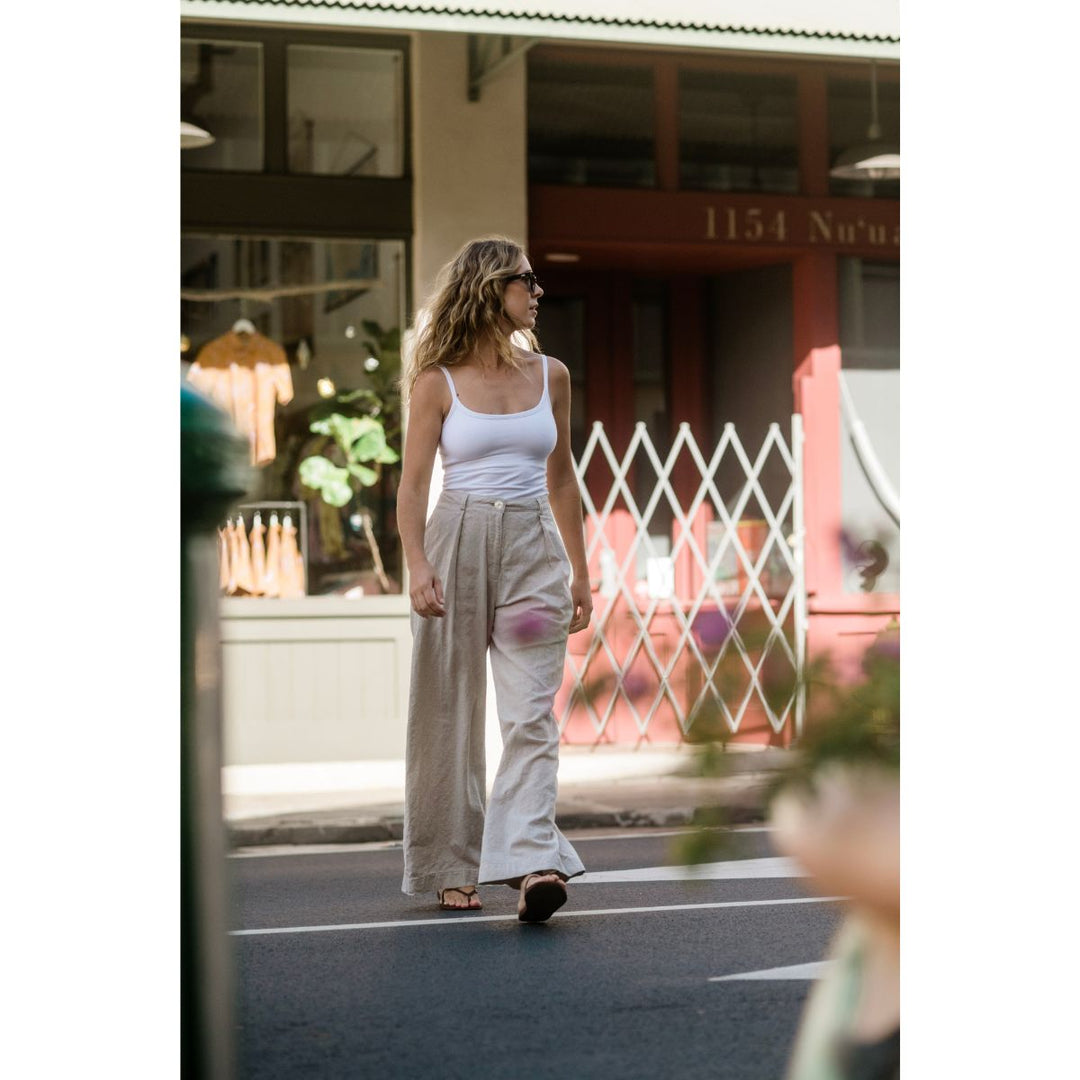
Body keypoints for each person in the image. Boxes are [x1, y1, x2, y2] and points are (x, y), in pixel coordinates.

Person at [396, 236, 593, 922]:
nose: (538, 292)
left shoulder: (552, 374)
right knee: (448, 707)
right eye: (525, 282)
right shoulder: (437, 382)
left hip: (534, 542)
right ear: (489, 289)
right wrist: (417, 563)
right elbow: (414, 482)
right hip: (458, 536)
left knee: (532, 710)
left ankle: (531, 857)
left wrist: (580, 570)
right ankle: (451, 862)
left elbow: (562, 478)